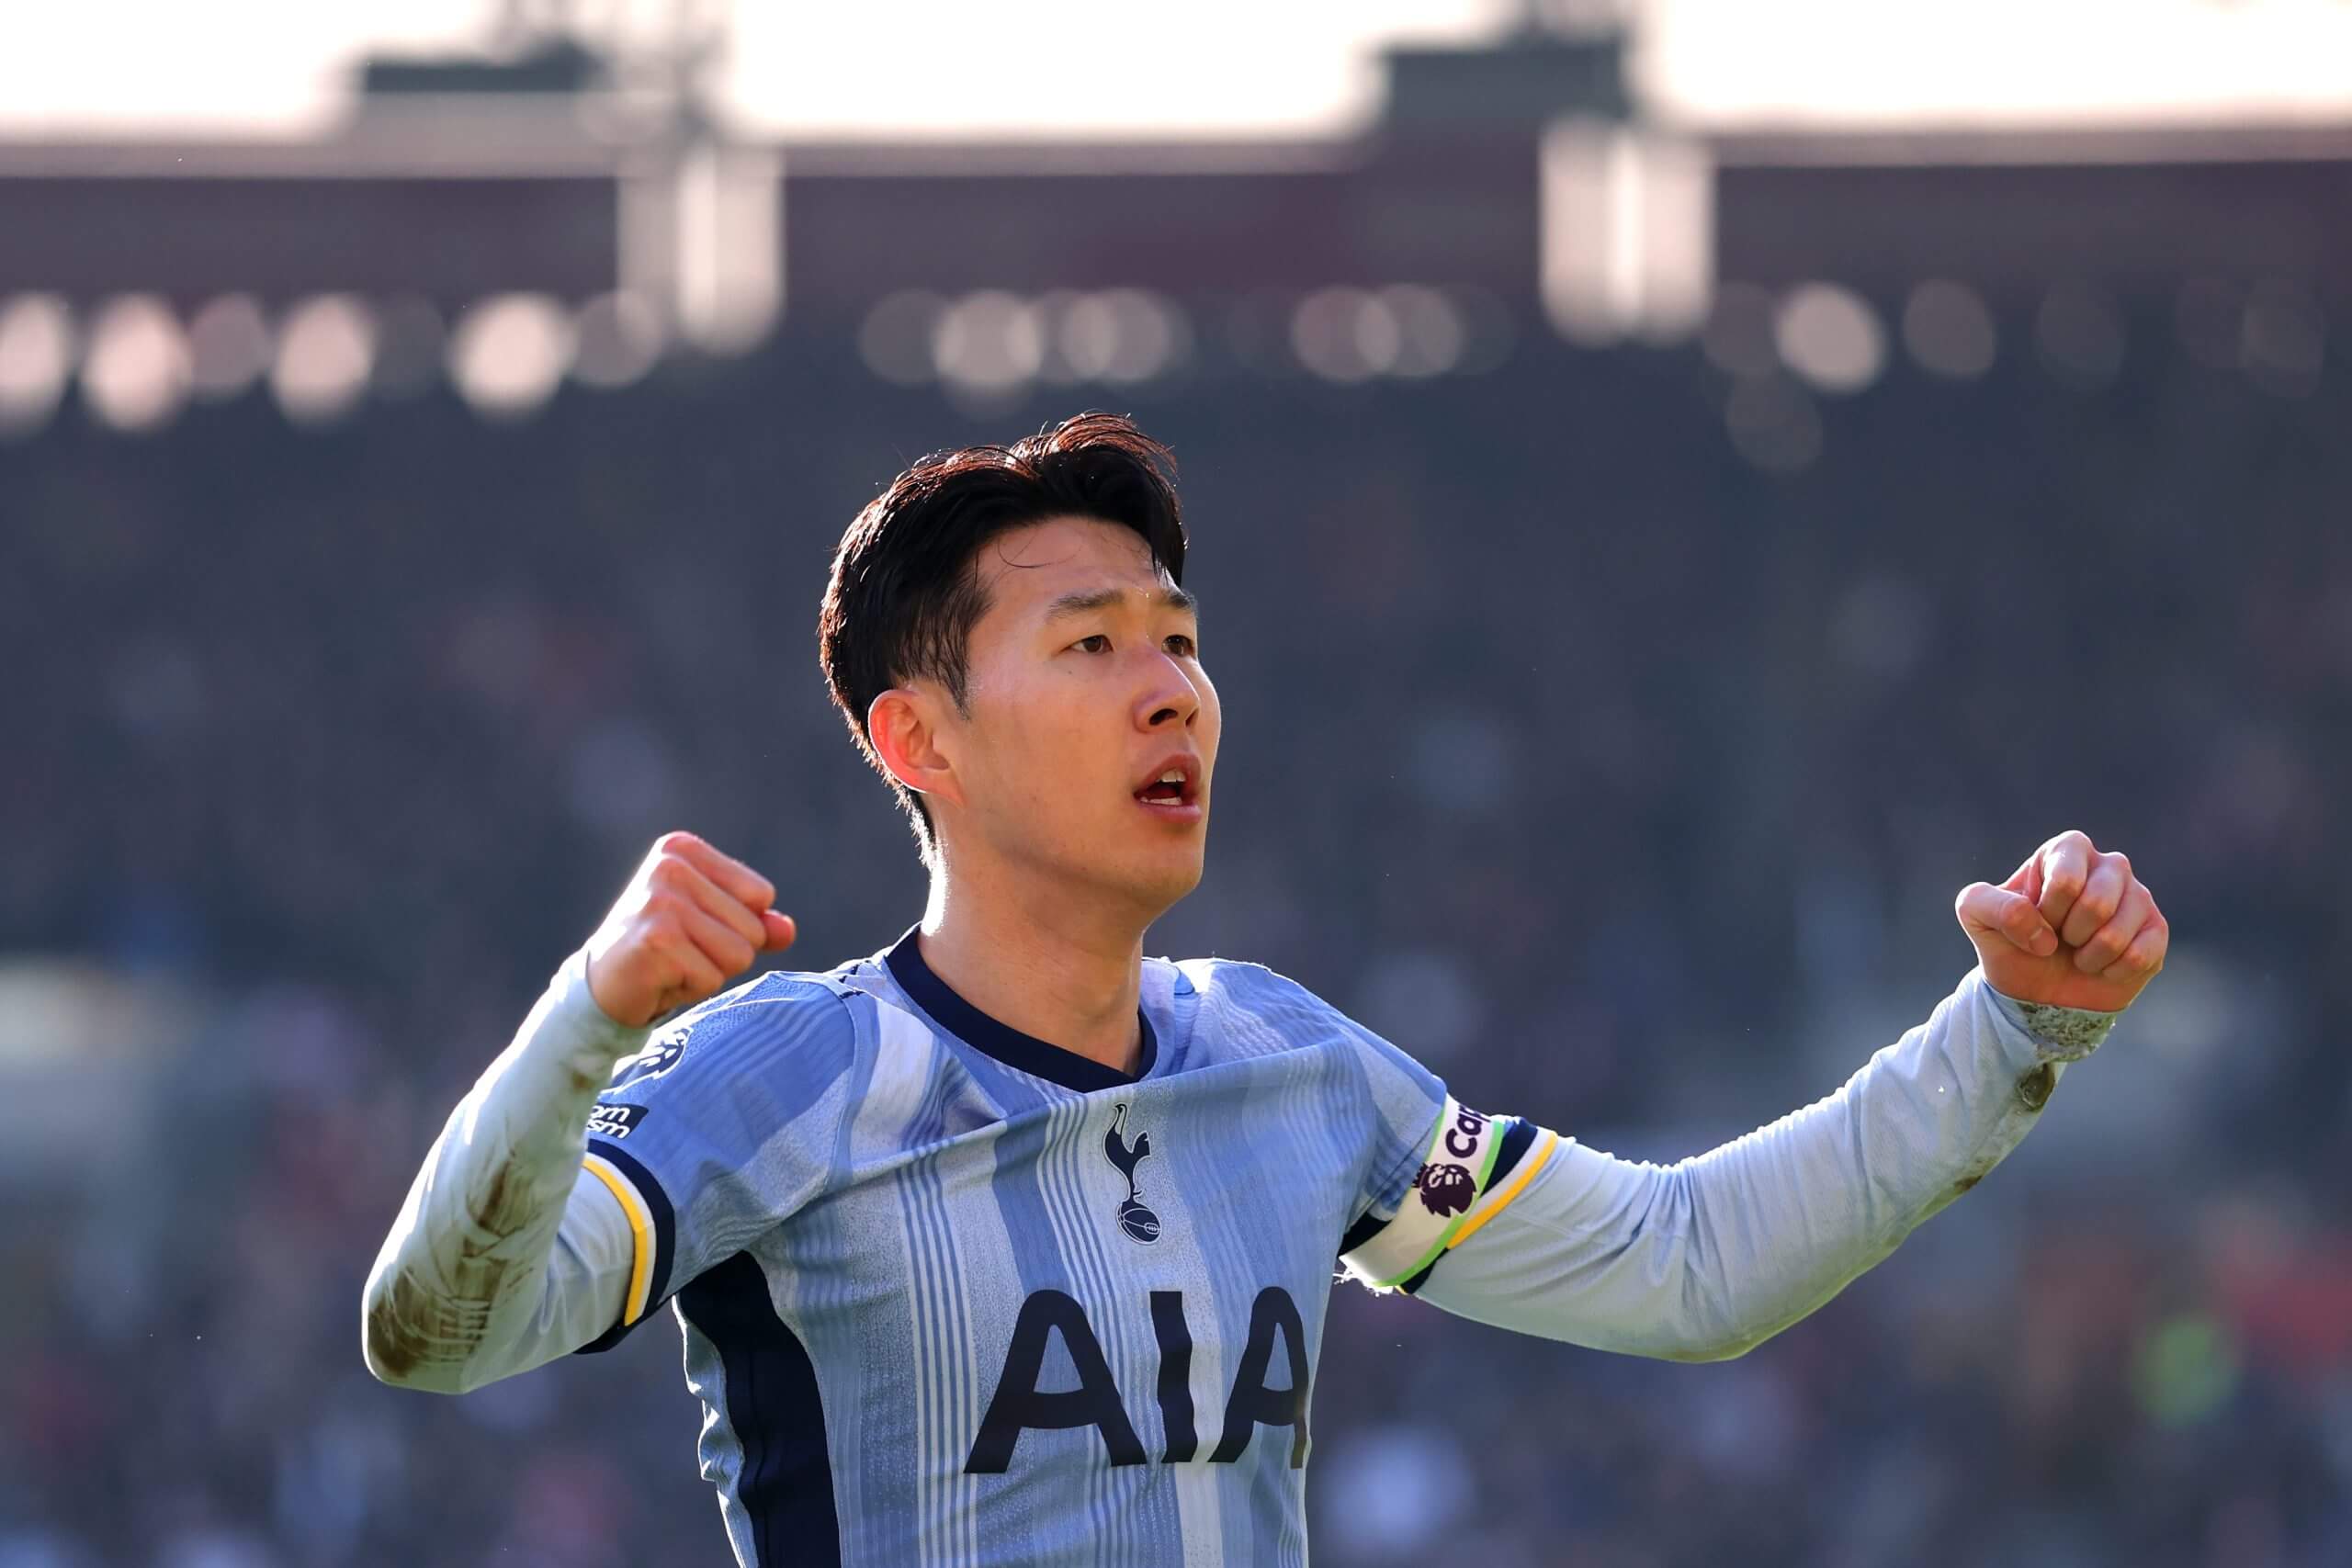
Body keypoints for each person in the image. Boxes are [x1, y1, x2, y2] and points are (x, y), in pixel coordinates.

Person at [361, 412, 2169, 1567]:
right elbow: (436, 1328)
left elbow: (1681, 1265)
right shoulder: (788, 1067)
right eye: (1090, 646)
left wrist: (2009, 1028)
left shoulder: (1301, 1074)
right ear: (917, 738)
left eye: (1179, 640)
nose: (1171, 689)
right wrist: (584, 1018)